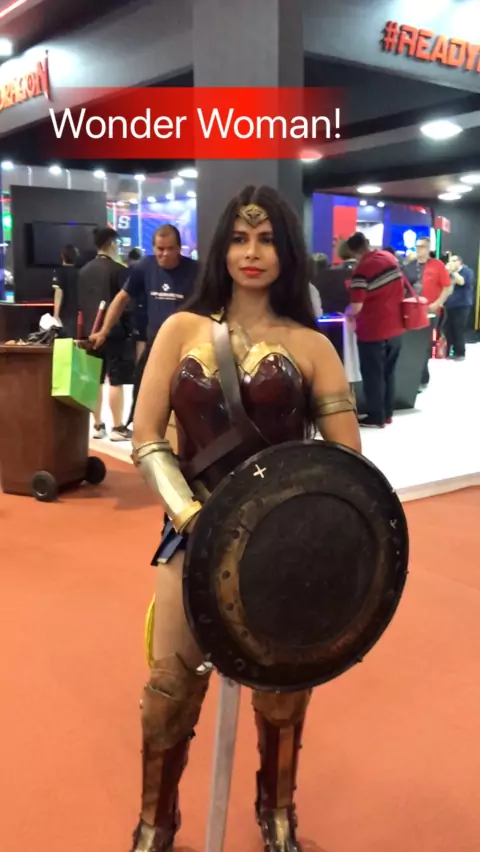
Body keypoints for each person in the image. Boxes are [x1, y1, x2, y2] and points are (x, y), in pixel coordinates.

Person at [129, 185, 361, 852]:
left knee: (283, 691)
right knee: (169, 687)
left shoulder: (313, 346)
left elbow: (347, 463)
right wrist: (191, 515)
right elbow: (147, 438)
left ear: (286, 251)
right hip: (189, 534)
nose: (250, 253)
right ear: (220, 250)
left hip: (282, 546)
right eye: (237, 239)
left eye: (264, 240)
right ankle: (155, 822)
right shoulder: (180, 330)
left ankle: (277, 812)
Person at [89, 224, 199, 428]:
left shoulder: (195, 271)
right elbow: (120, 299)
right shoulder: (145, 267)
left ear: (179, 248)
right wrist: (103, 331)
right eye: (160, 249)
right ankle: (142, 433)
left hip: (187, 348)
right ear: (154, 248)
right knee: (143, 393)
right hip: (155, 345)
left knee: (186, 398)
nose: (165, 254)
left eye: (170, 249)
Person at [345, 232, 405, 428]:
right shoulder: (389, 258)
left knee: (373, 375)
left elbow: (356, 307)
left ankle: (376, 417)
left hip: (373, 330)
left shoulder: (362, 269)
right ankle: (387, 414)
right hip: (396, 327)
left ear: (353, 251)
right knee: (389, 372)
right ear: (367, 243)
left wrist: (347, 312)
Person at [77, 226, 132, 441]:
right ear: (111, 243)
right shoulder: (118, 270)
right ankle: (118, 427)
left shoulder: (83, 271)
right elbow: (125, 304)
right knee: (115, 380)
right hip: (114, 332)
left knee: (95, 379)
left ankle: (98, 425)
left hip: (90, 332)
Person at [404, 238, 452, 389]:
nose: (419, 249)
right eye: (417, 246)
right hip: (412, 310)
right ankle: (415, 376)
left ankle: (422, 377)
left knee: (425, 344)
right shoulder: (410, 266)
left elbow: (447, 286)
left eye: (422, 246)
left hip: (430, 311)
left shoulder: (437, 265)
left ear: (428, 248)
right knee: (412, 343)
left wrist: (438, 303)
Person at [444, 254, 474, 361]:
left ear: (459, 262)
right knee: (448, 329)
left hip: (462, 305)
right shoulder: (449, 273)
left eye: (453, 261)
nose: (451, 263)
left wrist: (452, 272)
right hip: (450, 305)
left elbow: (461, 281)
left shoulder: (467, 271)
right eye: (450, 261)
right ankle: (449, 351)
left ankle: (460, 353)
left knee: (458, 329)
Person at [52, 244, 80, 337]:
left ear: (62, 256)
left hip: (64, 313)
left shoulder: (59, 272)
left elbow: (58, 293)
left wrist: (56, 315)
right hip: (77, 312)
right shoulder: (80, 272)